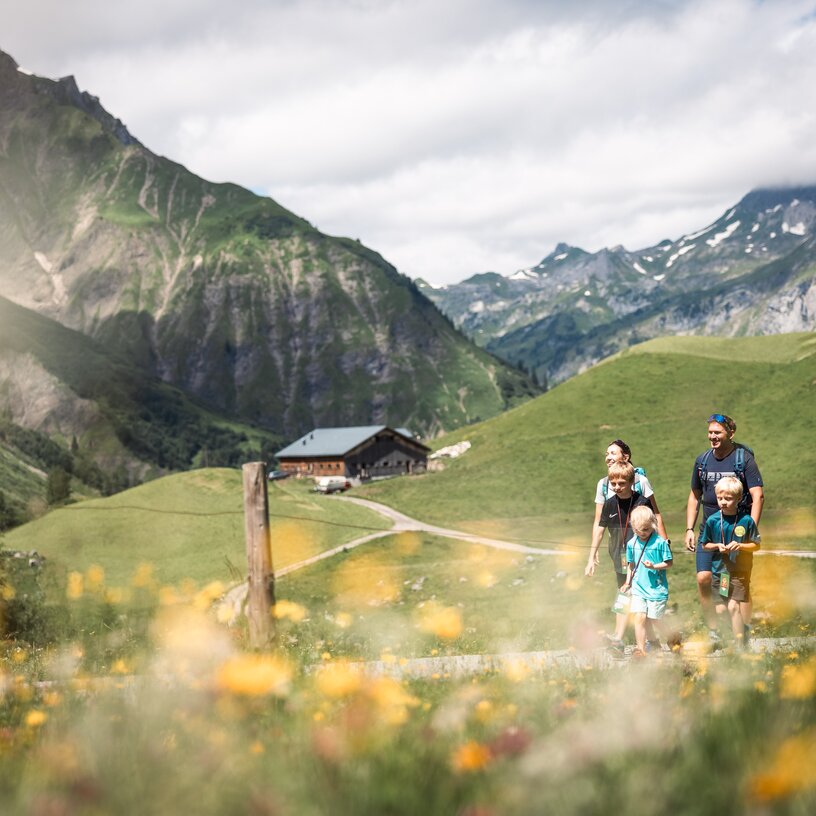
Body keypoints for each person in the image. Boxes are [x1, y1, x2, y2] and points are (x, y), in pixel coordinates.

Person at [685, 413, 764, 646]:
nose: (713, 436)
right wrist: (689, 528)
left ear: (730, 433)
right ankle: (713, 630)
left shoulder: (744, 460)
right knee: (703, 578)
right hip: (710, 529)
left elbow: (757, 495)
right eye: (710, 432)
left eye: (717, 432)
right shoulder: (703, 460)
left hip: (737, 531)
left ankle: (743, 631)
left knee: (741, 583)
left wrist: (750, 529)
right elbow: (694, 496)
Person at [586, 462, 652, 651]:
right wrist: (591, 557)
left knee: (643, 597)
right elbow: (599, 530)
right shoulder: (609, 504)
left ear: (631, 482)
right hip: (619, 557)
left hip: (641, 558)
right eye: (613, 484)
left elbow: (651, 530)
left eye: (622, 483)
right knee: (623, 593)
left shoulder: (641, 502)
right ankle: (619, 638)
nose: (617, 487)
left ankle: (650, 640)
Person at [701, 476, 761, 648]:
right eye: (720, 498)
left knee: (733, 606)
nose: (723, 502)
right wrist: (717, 546)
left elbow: (756, 545)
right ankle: (740, 630)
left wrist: (741, 546)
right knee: (721, 609)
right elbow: (705, 545)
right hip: (721, 573)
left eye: (728, 498)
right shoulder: (713, 520)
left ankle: (739, 645)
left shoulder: (746, 520)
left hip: (739, 572)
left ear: (738, 499)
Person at [622, 505, 673, 657]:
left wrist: (655, 566)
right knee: (640, 617)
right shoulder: (632, 544)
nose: (642, 533)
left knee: (655, 619)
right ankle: (641, 650)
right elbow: (631, 565)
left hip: (656, 589)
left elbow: (669, 563)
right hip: (638, 587)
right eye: (638, 530)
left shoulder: (660, 543)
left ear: (652, 525)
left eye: (645, 530)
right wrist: (627, 582)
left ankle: (672, 636)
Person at [592, 439, 668, 540]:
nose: (608, 457)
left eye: (613, 453)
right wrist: (594, 550)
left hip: (644, 542)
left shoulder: (641, 481)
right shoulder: (603, 484)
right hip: (617, 546)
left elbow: (656, 515)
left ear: (626, 457)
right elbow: (598, 521)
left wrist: (665, 542)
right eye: (607, 454)